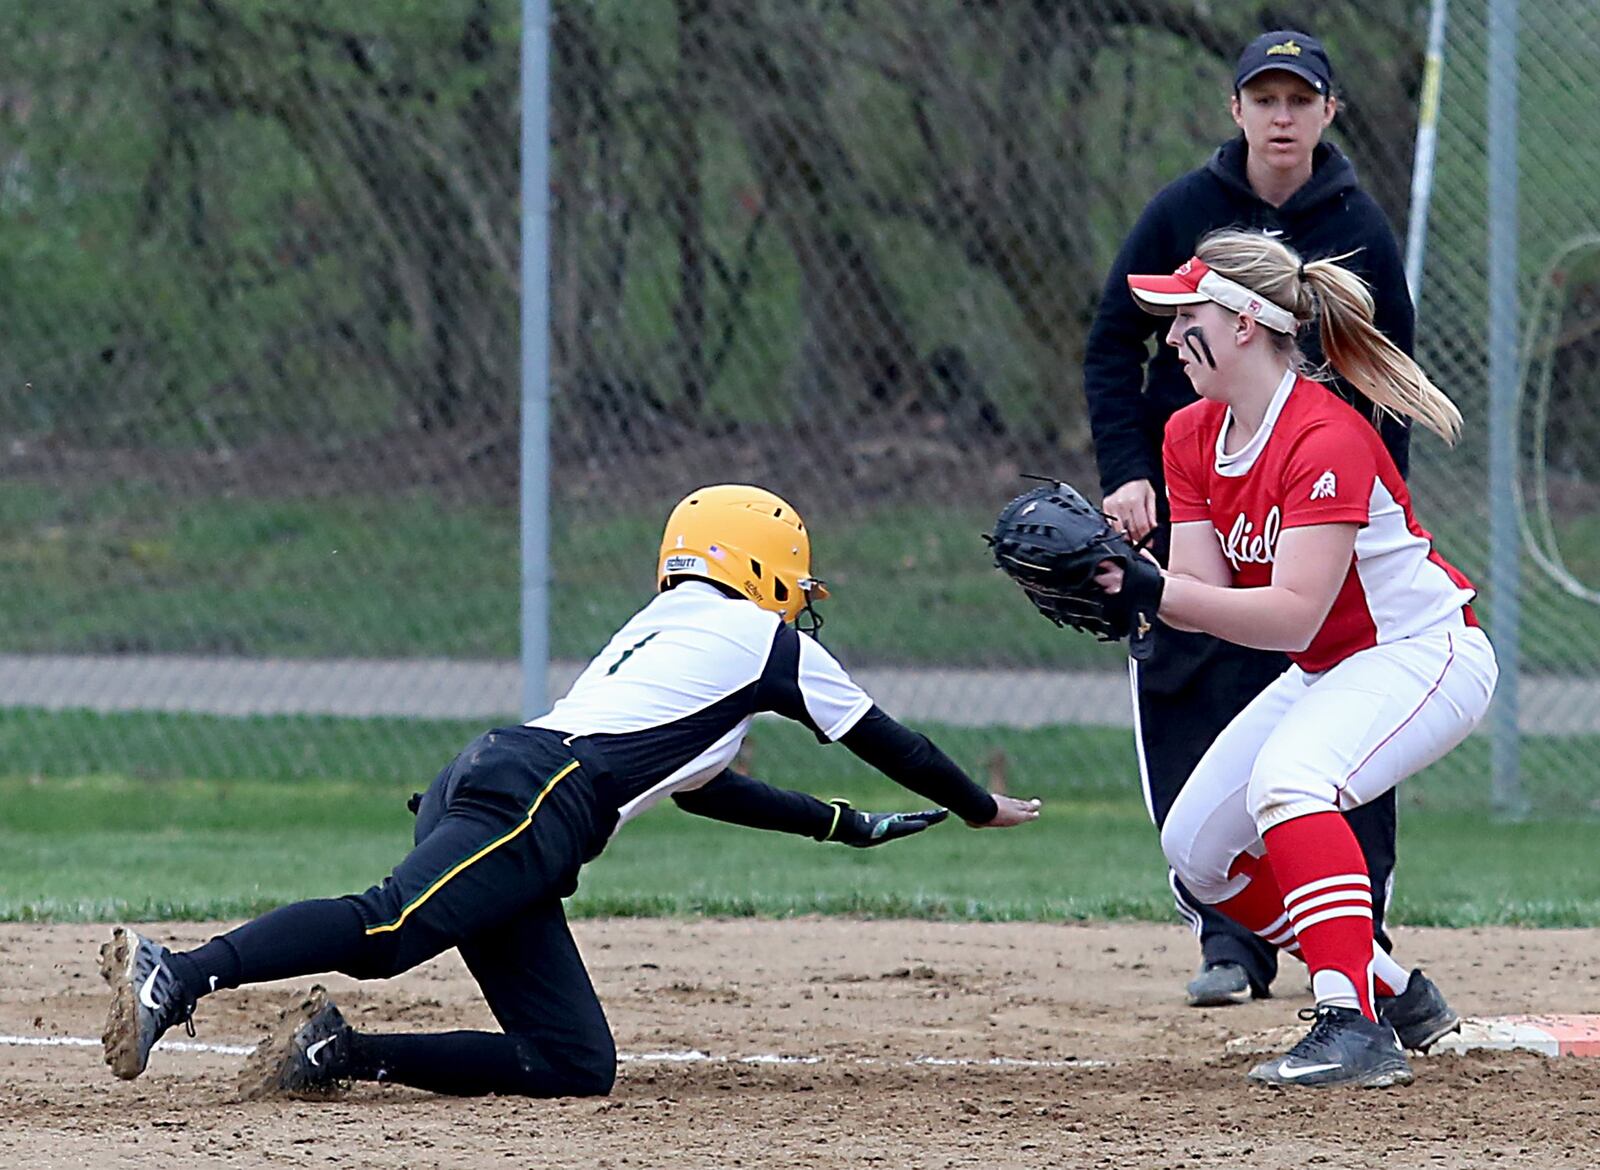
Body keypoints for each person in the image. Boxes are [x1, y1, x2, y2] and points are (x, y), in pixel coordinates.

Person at [99, 484, 1042, 1098]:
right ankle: (177, 974)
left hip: (514, 785)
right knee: (385, 930)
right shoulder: (765, 644)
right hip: (537, 799)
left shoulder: (669, 628)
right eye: (791, 579)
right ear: (760, 568)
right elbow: (892, 739)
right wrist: (975, 804)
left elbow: (707, 787)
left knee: (573, 1063)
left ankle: (338, 1053)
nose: (801, 598)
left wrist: (846, 827)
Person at [1091, 228, 1497, 1087]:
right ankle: (1395, 990)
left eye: (1186, 314)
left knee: (1292, 781)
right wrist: (1119, 579)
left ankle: (1351, 1021)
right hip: (1332, 667)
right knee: (1195, 846)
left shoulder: (1327, 436)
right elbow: (1204, 596)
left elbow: (1287, 613)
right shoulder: (1190, 434)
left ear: (1243, 323)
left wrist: (1144, 587)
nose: (1171, 336)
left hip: (1424, 655)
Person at [1082, 28, 1415, 1009]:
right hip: (1196, 487)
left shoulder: (1356, 225)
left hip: (1313, 503)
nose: (1279, 115)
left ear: (1326, 113)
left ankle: (1357, 943)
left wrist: (1360, 522)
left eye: (1296, 98)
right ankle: (1233, 942)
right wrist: (1128, 487)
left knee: (1331, 722)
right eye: (1261, 98)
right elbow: (1114, 345)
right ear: (1235, 110)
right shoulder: (1183, 210)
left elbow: (1382, 387)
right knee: (1198, 685)